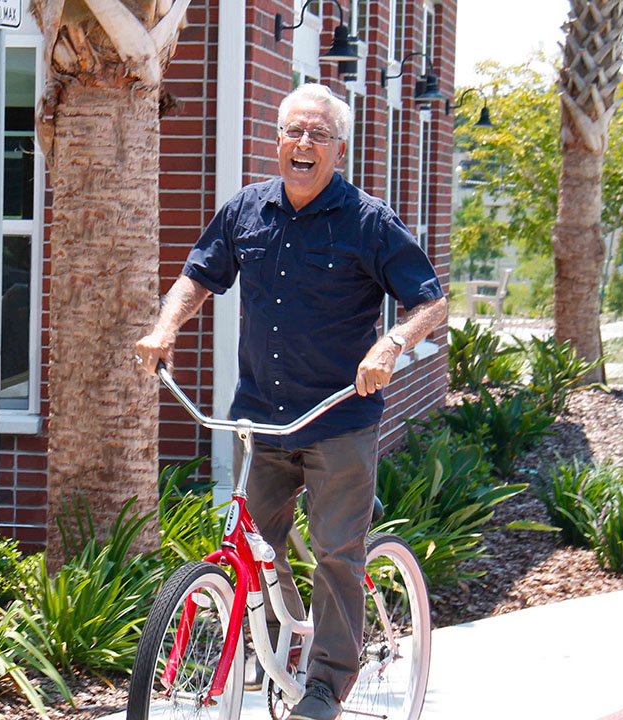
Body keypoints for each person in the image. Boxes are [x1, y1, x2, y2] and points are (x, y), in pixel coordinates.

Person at [134, 83, 447, 720]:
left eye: (319, 135)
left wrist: (390, 344)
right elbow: (198, 274)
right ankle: (273, 652)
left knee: (335, 550)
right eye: (293, 132)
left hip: (337, 418)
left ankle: (329, 683)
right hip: (261, 416)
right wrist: (166, 327)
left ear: (339, 148)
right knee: (258, 547)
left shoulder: (368, 220)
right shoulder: (247, 210)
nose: (303, 144)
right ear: (277, 140)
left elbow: (430, 302)